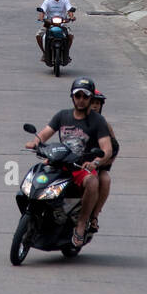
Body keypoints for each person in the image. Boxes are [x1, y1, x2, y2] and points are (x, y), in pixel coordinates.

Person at [24, 77, 112, 249]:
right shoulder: (62, 115)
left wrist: (96, 162)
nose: (81, 100)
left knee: (93, 182)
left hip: (81, 167)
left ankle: (81, 223)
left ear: (90, 99)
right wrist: (35, 142)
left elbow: (106, 148)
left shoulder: (98, 121)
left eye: (85, 97)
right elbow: (44, 133)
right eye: (77, 96)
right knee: (36, 175)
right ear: (72, 97)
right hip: (59, 163)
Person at [88, 89, 119, 233]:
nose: (94, 106)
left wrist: (106, 161)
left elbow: (115, 146)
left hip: (96, 164)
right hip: (75, 162)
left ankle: (94, 216)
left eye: (97, 104)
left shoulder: (104, 124)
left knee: (105, 179)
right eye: (92, 103)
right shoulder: (74, 119)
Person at [36, 0, 76, 64]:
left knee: (70, 36)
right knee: (38, 35)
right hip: (49, 23)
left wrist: (72, 17)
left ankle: (66, 53)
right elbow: (42, 10)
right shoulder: (47, 1)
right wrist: (41, 17)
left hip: (62, 23)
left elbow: (69, 10)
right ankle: (44, 53)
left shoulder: (65, 0)